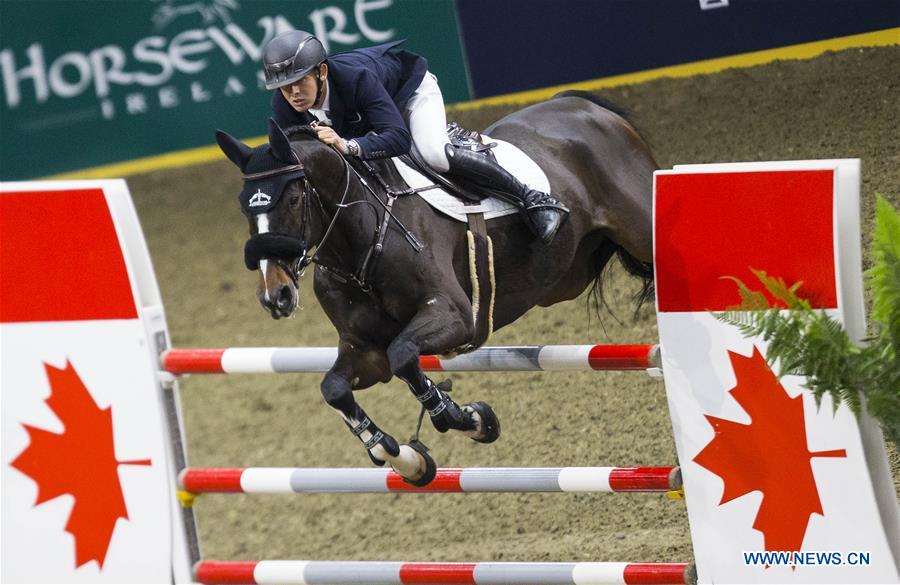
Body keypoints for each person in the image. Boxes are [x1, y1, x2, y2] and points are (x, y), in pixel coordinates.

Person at [261, 30, 568, 243]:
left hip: (410, 96)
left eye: (300, 82)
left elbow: (397, 139)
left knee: (433, 152)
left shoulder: (356, 79)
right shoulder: (285, 103)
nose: (293, 94)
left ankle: (533, 199)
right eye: (285, 87)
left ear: (322, 72)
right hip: (370, 118)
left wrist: (348, 145)